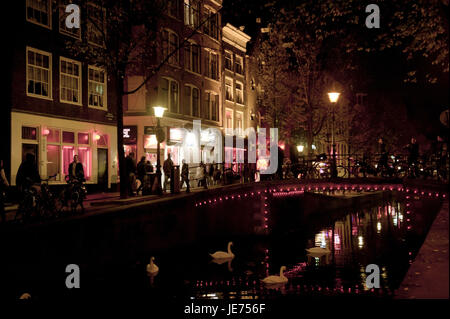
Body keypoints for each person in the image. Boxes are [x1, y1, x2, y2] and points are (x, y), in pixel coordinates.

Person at [1, 159, 9, 223]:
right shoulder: (1, 170)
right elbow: (4, 178)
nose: (2, 163)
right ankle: (3, 219)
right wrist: (7, 185)